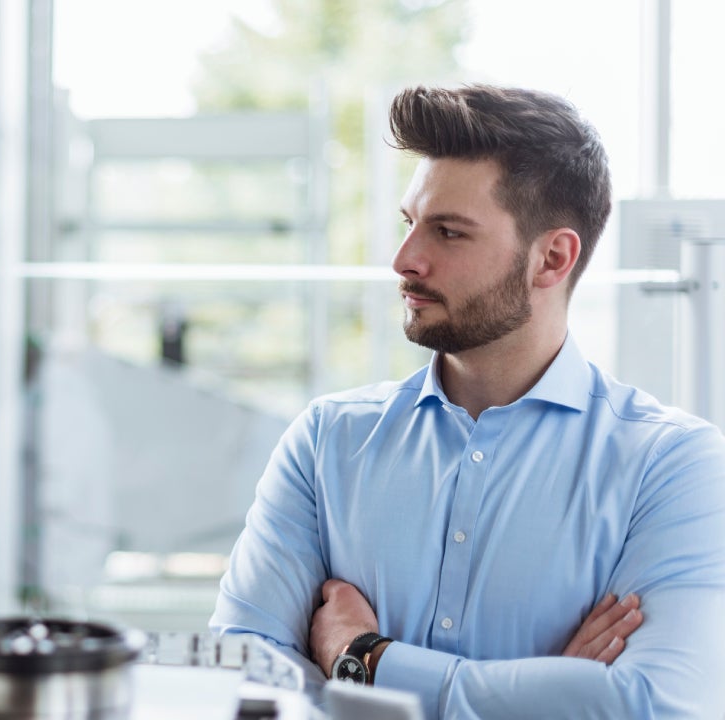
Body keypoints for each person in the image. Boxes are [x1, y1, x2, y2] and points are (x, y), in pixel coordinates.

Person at [211, 84, 725, 718]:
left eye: (449, 233)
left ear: (552, 258)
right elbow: (242, 677)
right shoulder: (328, 441)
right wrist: (543, 694)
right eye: (409, 225)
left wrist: (364, 658)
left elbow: (657, 706)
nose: (405, 261)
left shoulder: (673, 466)